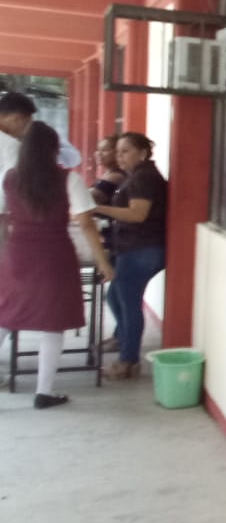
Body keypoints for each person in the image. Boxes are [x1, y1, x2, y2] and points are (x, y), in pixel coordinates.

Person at [0, 122, 114, 409]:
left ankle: (42, 390)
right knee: (54, 322)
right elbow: (86, 223)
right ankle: (44, 392)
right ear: (54, 149)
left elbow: (1, 218)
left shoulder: (8, 178)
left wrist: (4, 253)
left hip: (17, 253)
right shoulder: (69, 179)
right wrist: (103, 262)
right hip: (55, 255)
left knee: (7, 314)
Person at [94, 132, 167, 380]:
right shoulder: (136, 176)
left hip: (141, 248)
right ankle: (123, 341)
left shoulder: (144, 178)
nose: (119, 156)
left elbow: (137, 214)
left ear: (143, 153)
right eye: (118, 152)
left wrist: (97, 208)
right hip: (133, 247)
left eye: (125, 151)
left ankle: (128, 361)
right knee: (116, 297)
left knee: (128, 303)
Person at [89, 134, 128, 205]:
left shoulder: (117, 176)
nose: (98, 154)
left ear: (117, 153)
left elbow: (89, 198)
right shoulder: (109, 173)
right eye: (98, 150)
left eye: (104, 150)